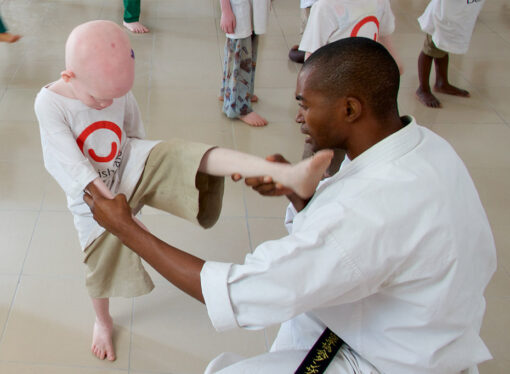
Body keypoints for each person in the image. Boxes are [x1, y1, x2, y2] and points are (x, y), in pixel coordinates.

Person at [84, 37, 496, 373]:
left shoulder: (368, 216)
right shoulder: (424, 147)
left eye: (304, 104)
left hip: (383, 357)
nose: (298, 117)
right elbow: (360, 240)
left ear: (350, 108)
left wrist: (127, 229)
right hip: (410, 323)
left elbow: (237, 294)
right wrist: (301, 197)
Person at [34, 19, 334, 363]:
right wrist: (120, 214)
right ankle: (102, 320)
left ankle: (285, 173)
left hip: (127, 162)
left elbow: (134, 133)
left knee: (186, 154)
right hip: (90, 195)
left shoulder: (116, 89)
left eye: (114, 96)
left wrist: (149, 176)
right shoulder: (50, 104)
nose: (106, 104)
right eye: (98, 99)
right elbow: (74, 167)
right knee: (99, 261)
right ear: (69, 76)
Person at [416, 0, 484, 108]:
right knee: (430, 50)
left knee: (443, 47)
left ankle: (442, 83)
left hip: (453, 17)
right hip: (441, 16)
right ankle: (423, 89)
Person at [298, 0, 402, 71]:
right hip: (333, 78)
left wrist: (394, 62)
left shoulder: (380, 2)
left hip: (365, 74)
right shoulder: (324, 7)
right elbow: (312, 55)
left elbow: (383, 34)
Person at [219, 0, 270, 127]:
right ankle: (238, 107)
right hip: (238, 7)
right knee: (241, 48)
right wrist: (226, 10)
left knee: (250, 42)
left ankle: (231, 92)